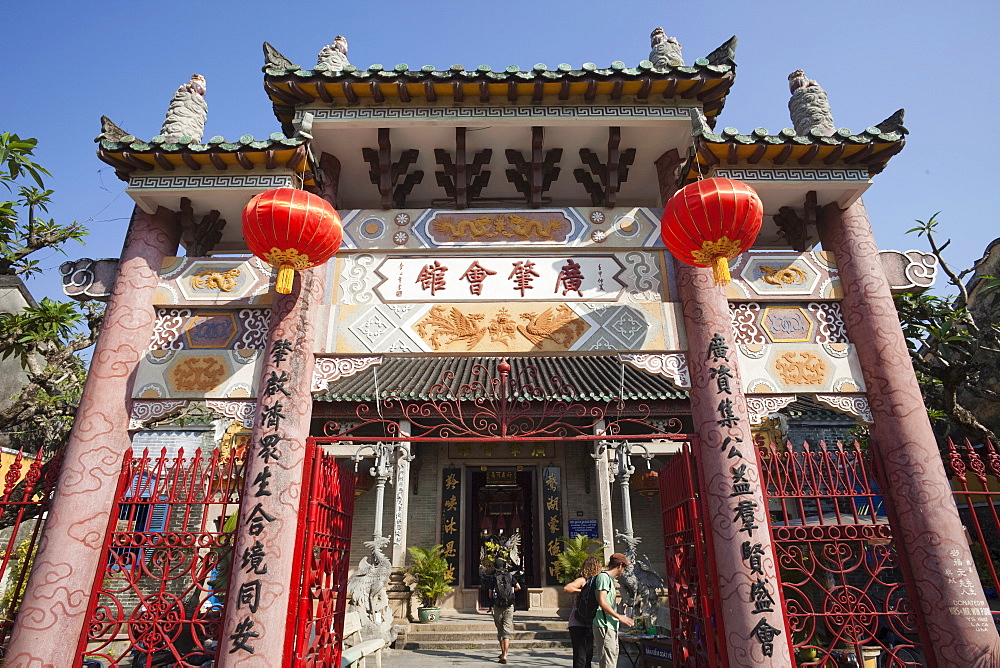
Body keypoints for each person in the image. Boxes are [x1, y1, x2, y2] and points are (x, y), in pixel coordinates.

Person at [592, 553, 634, 668]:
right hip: (604, 624)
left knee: (612, 659)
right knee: (608, 662)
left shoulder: (609, 579)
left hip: (611, 625)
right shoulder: (603, 578)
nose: (624, 570)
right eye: (624, 567)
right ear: (620, 565)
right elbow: (602, 601)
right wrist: (620, 617)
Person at [564, 555, 603, 668]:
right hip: (577, 621)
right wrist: (582, 591)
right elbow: (567, 588)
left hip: (589, 621)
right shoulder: (583, 580)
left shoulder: (596, 582)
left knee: (588, 655)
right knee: (580, 656)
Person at [487, 557, 521, 664]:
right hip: (509, 606)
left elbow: (490, 594)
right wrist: (510, 593)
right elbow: (518, 587)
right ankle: (505, 655)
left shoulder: (493, 578)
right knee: (507, 630)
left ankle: (502, 653)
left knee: (500, 631)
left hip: (498, 607)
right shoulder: (510, 576)